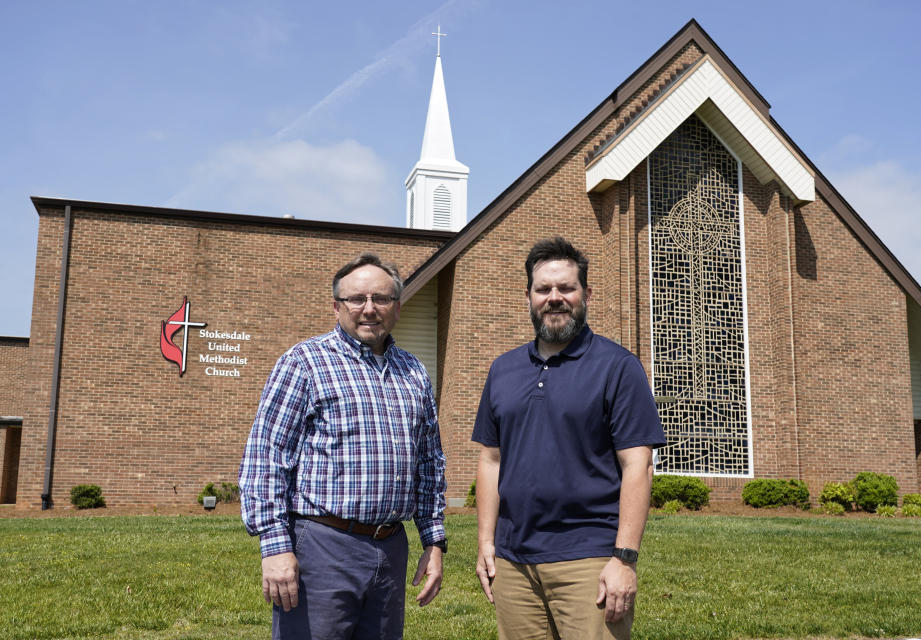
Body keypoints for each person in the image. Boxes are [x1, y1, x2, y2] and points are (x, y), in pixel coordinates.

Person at [239, 253, 447, 640]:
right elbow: (266, 459)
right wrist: (275, 547)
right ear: (336, 306)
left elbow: (429, 464)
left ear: (397, 307)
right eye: (357, 299)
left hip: (390, 549)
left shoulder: (414, 372)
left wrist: (433, 541)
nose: (369, 309)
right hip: (323, 547)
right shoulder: (304, 363)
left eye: (381, 299)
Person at [472, 237, 665, 640]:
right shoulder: (502, 370)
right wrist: (486, 543)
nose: (554, 298)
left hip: (589, 558)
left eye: (566, 288)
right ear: (528, 296)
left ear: (586, 294)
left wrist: (624, 560)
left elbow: (638, 465)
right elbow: (492, 460)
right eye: (543, 289)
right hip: (514, 562)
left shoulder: (618, 367)